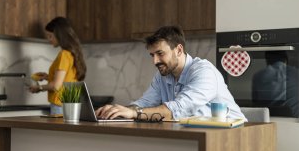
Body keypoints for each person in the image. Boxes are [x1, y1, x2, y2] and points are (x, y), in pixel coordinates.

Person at [96, 25, 246, 121]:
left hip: (235, 138)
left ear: (179, 50)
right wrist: (119, 111)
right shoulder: (163, 76)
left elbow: (177, 110)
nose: (155, 61)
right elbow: (145, 104)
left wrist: (135, 113)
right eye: (152, 55)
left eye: (160, 53)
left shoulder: (203, 72)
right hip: (201, 137)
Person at [29, 17, 86, 115]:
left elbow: (56, 86)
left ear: (60, 36)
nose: (49, 39)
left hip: (60, 104)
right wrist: (47, 77)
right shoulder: (73, 53)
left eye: (50, 36)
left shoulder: (64, 54)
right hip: (71, 103)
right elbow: (67, 79)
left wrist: (38, 88)